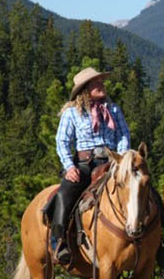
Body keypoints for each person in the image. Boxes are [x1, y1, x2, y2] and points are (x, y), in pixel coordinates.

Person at [51, 67, 131, 264]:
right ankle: (59, 241)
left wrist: (121, 158)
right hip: (85, 163)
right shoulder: (71, 113)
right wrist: (69, 167)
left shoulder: (113, 109)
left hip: (112, 161)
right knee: (64, 194)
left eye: (101, 82)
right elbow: (62, 141)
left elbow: (123, 134)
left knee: (141, 185)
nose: (101, 85)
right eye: (96, 84)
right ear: (84, 90)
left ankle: (158, 238)